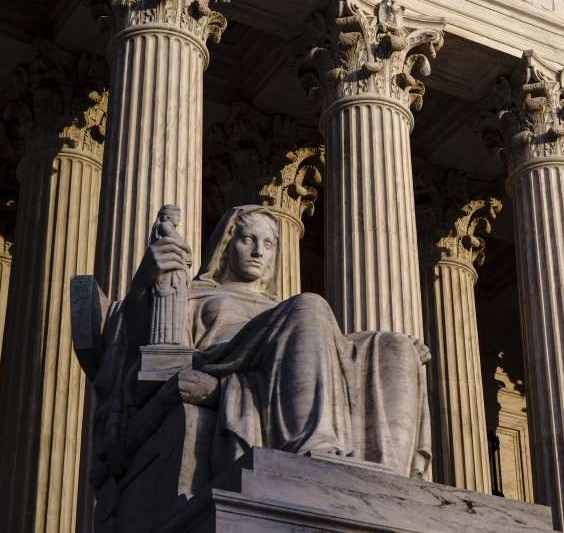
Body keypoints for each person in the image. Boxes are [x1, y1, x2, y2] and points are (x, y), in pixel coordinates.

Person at [90, 205, 432, 489]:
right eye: (248, 240)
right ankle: (312, 448)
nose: (258, 252)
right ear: (227, 244)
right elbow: (135, 348)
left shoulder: (282, 309)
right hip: (224, 361)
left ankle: (391, 483)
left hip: (281, 363)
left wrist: (381, 346)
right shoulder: (195, 295)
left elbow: (334, 351)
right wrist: (145, 281)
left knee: (394, 346)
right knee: (309, 306)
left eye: (268, 244)